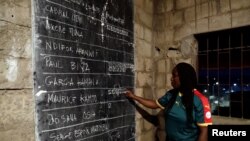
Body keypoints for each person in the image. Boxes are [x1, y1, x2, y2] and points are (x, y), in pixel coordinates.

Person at [124, 62, 212, 141]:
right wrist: (134, 97)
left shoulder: (200, 100)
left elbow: (204, 132)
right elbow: (155, 104)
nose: (171, 79)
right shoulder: (171, 94)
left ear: (184, 77)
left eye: (174, 75)